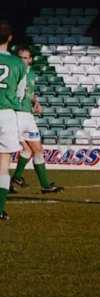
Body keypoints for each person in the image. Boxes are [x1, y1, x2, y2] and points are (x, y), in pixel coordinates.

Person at [10, 47, 63, 194]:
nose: (24, 60)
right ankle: (42, 184)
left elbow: (30, 93)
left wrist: (36, 102)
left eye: (26, 58)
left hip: (28, 116)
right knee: (20, 150)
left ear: (31, 59)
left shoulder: (32, 74)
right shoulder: (14, 73)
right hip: (16, 115)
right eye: (21, 58)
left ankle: (19, 179)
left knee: (35, 150)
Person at [0, 21, 26, 220]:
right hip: (6, 113)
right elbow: (20, 93)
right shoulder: (18, 63)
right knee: (3, 162)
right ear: (10, 39)